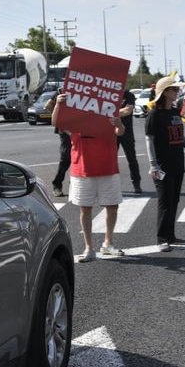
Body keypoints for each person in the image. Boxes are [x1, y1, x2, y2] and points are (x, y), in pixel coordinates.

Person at [51, 93, 126, 263]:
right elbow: (57, 123)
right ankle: (89, 248)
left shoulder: (107, 111)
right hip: (82, 170)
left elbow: (120, 131)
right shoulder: (76, 118)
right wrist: (58, 105)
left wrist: (119, 123)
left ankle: (108, 243)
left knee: (112, 207)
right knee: (85, 209)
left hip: (108, 167)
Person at [145, 76, 185, 252]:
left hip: (177, 163)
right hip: (162, 165)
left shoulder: (175, 112)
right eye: (174, 89)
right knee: (165, 202)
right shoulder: (154, 114)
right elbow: (149, 140)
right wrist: (153, 164)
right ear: (165, 92)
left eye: (177, 89)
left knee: (174, 200)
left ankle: (171, 236)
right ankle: (161, 238)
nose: (177, 92)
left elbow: (179, 134)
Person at [117, 87, 142, 193]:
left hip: (127, 132)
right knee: (110, 160)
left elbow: (127, 110)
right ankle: (112, 185)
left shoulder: (129, 95)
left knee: (131, 159)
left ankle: (136, 184)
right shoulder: (109, 93)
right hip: (112, 132)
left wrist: (108, 112)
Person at [46, 90, 70, 197]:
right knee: (66, 158)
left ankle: (76, 183)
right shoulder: (62, 90)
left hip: (80, 127)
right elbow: (48, 105)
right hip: (65, 129)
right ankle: (57, 184)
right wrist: (58, 116)